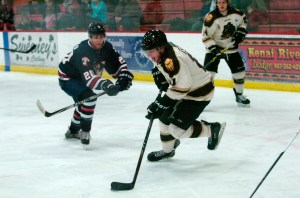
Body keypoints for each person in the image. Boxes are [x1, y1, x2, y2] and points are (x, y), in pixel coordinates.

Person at [141, 29, 226, 162]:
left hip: (199, 93)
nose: (149, 56)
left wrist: (161, 103)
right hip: (187, 89)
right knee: (164, 118)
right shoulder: (164, 51)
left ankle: (212, 129)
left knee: (176, 130)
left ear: (161, 48)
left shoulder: (172, 59)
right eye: (147, 52)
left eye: (151, 51)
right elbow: (176, 80)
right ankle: (167, 150)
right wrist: (162, 77)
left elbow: (182, 87)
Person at [58, 22, 134, 145]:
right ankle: (85, 132)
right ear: (90, 37)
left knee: (82, 103)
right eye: (95, 37)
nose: (98, 40)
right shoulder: (83, 50)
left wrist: (123, 77)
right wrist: (106, 84)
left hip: (81, 77)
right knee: (89, 98)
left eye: (101, 37)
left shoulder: (107, 47)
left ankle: (72, 131)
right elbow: (90, 80)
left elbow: (119, 63)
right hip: (68, 78)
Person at [202, 0, 250, 107]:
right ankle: (201, 98)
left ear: (227, 3)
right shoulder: (211, 17)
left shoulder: (237, 13)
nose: (221, 5)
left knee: (239, 73)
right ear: (216, 3)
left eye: (223, 2)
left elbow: (244, 21)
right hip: (214, 49)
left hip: (231, 48)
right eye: (219, 2)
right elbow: (205, 36)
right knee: (208, 76)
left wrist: (241, 31)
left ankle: (239, 95)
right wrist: (214, 49)